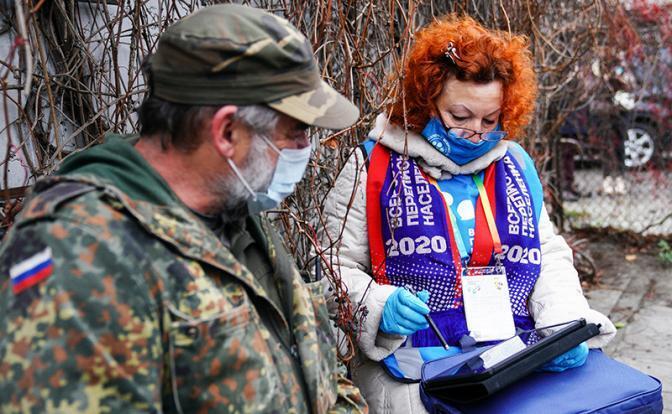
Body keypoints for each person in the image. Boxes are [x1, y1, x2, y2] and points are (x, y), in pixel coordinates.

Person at [0, 5, 367, 413]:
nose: (305, 149)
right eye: (296, 131)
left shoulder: (237, 217)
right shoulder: (80, 254)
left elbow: (319, 374)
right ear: (227, 132)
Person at [320, 15, 616, 413]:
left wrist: (563, 326)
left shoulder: (514, 164)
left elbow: (548, 256)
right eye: (459, 117)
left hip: (512, 353)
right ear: (426, 101)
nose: (476, 133)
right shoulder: (372, 165)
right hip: (412, 362)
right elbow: (332, 267)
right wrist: (376, 306)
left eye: (490, 120)